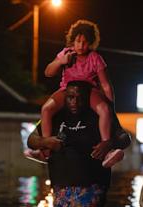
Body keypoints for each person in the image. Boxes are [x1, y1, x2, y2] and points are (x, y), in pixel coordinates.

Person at [27, 80, 130, 207]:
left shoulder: (99, 113)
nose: (74, 102)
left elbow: (125, 137)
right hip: (62, 186)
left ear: (88, 98)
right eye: (70, 97)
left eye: (79, 98)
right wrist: (46, 142)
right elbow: (31, 139)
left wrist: (108, 143)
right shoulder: (56, 115)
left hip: (93, 184)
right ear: (64, 97)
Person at [38, 19, 123, 167]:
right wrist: (60, 62)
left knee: (104, 110)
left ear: (90, 42)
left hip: (88, 92)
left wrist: (111, 107)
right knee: (46, 109)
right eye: (78, 41)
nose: (81, 45)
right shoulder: (66, 53)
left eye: (85, 42)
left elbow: (105, 85)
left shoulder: (95, 58)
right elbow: (48, 72)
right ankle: (46, 149)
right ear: (73, 40)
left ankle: (108, 150)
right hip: (67, 89)